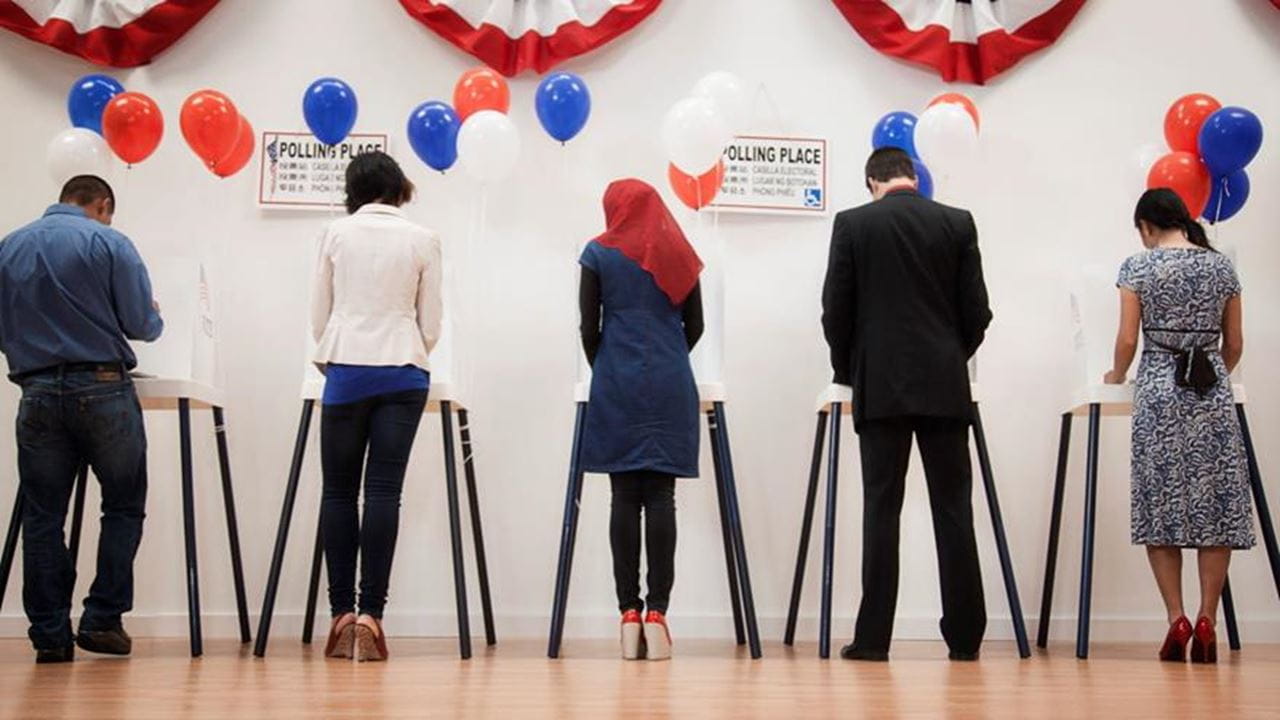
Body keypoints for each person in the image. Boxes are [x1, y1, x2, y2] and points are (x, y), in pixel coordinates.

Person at [821, 147, 992, 662]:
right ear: (913, 177)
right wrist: (950, 355)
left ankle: (873, 639)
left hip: (881, 385)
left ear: (872, 181)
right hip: (944, 384)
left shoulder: (854, 224)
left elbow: (835, 311)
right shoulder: (957, 222)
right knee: (954, 509)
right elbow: (978, 312)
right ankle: (965, 636)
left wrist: (850, 370)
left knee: (881, 510)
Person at [0, 176, 163, 664]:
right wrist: (152, 314)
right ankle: (102, 620)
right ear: (103, 205)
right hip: (104, 388)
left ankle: (50, 635)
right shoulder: (110, 242)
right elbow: (140, 324)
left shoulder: (9, 247)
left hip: (37, 393)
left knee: (43, 515)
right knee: (123, 505)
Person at [1105, 188, 1253, 664]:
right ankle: (1208, 618)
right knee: (1215, 507)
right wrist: (1211, 372)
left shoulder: (1137, 267)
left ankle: (1177, 619)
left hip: (1158, 391)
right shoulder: (1220, 267)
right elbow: (1235, 343)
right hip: (1210, 392)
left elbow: (1128, 339)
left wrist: (1116, 375)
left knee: (1161, 502)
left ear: (1147, 226)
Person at [310, 151, 443, 662]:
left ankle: (341, 615)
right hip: (403, 369)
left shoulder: (335, 234)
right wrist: (409, 347)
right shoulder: (423, 238)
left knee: (338, 493)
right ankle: (372, 615)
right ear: (398, 186)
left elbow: (319, 314)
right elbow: (431, 321)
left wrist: (338, 350)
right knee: (385, 492)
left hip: (347, 368)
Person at [579, 178, 704, 661]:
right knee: (662, 496)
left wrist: (610, 364)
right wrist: (668, 352)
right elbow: (696, 326)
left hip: (617, 377)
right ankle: (658, 614)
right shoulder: (680, 252)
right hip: (671, 378)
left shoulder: (597, 253)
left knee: (624, 496)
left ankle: (628, 612)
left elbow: (588, 328)